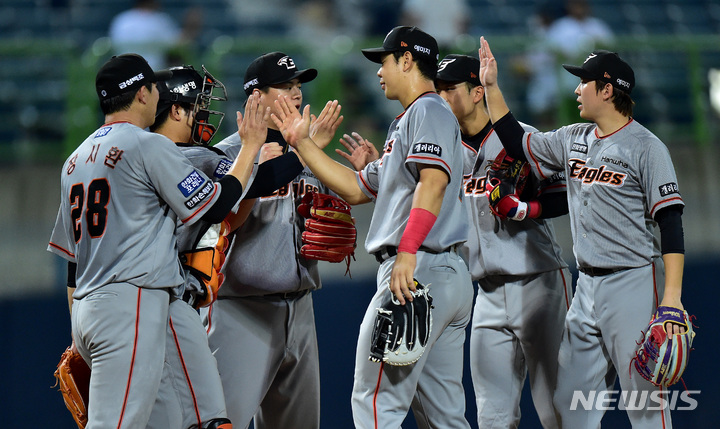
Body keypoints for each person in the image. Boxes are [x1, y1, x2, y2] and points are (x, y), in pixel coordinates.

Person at [271, 26, 474, 428]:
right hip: (439, 272)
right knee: (443, 417)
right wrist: (304, 145)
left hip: (416, 271)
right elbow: (355, 188)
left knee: (376, 403)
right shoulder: (410, 121)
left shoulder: (428, 111)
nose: (378, 72)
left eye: (382, 61)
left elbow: (433, 184)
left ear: (406, 60)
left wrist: (407, 252)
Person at [479, 37, 687, 427]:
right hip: (586, 286)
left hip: (634, 281)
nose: (576, 89)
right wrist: (491, 87)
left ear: (607, 91)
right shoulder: (573, 138)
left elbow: (671, 222)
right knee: (570, 400)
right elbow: (519, 143)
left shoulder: (647, 146)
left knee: (643, 403)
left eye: (584, 82)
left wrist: (671, 301)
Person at [47, 53, 262, 428]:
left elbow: (72, 264)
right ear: (144, 93)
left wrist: (81, 328)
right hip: (128, 303)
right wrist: (250, 147)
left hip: (93, 306)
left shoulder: (74, 160)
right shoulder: (146, 145)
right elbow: (216, 205)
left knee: (180, 419)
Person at [200, 51, 344, 429]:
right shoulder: (229, 154)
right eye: (285, 85)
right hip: (242, 311)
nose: (296, 93)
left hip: (301, 310)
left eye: (298, 85)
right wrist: (297, 155)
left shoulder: (309, 150)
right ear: (256, 96)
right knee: (221, 421)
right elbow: (221, 217)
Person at [434, 53, 571, 428]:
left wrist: (526, 207)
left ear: (478, 92)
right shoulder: (443, 149)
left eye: (450, 89)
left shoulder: (516, 135)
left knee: (558, 408)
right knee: (492, 416)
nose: (441, 97)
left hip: (539, 280)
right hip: (487, 293)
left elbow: (562, 194)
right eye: (438, 90)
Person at [109, 0, 202, 69]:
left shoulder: (121, 20)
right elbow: (182, 43)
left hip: (122, 74)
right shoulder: (158, 20)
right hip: (154, 75)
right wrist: (191, 26)